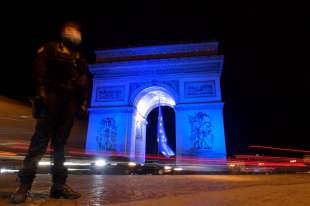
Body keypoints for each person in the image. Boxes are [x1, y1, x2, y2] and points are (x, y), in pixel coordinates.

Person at [10, 21, 90, 204]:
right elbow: (38, 71)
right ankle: (24, 185)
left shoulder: (80, 57)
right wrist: (40, 93)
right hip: (51, 100)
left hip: (68, 104)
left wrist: (83, 102)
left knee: (61, 147)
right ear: (63, 32)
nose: (74, 34)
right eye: (70, 31)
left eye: (77, 32)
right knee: (38, 144)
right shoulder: (50, 48)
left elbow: (84, 81)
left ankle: (59, 185)